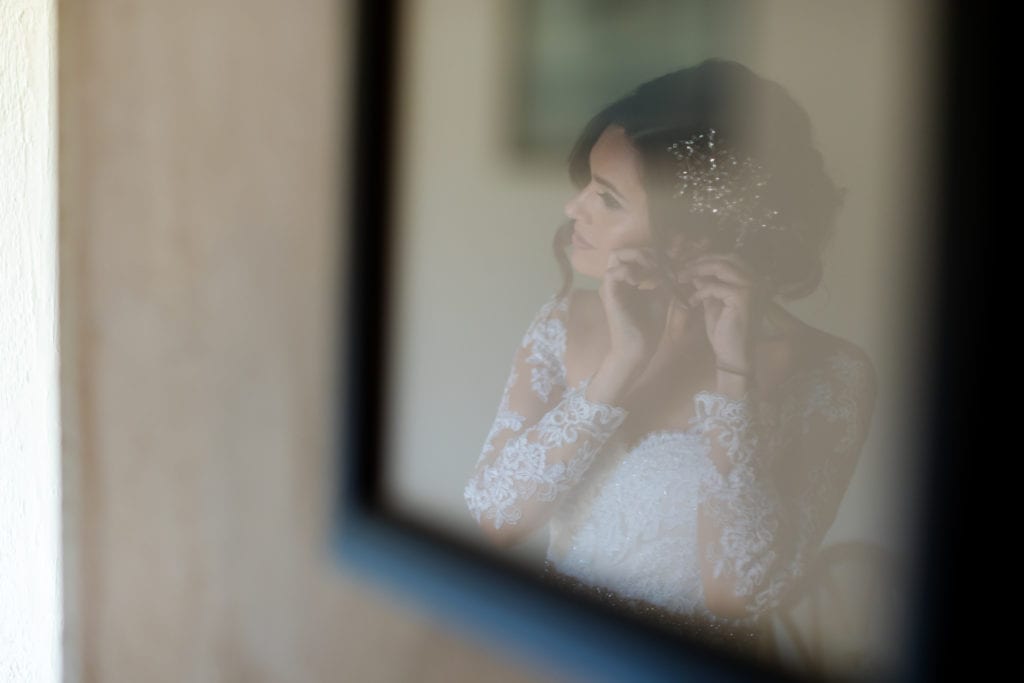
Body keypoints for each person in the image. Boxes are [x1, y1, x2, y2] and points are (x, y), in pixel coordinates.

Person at [462, 59, 877, 656]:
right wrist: (621, 364)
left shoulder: (831, 373)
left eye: (606, 198)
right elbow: (499, 518)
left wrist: (736, 380)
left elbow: (736, 592)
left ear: (698, 231)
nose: (573, 209)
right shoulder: (562, 324)